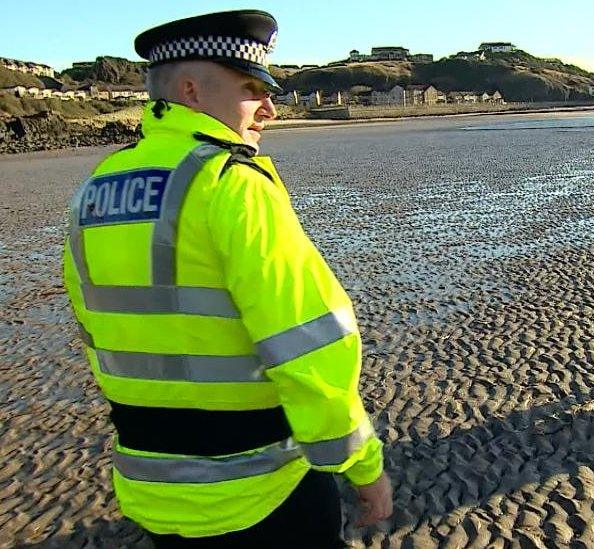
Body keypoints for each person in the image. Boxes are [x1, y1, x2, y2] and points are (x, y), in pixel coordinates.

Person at [61, 10, 392, 546]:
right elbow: (309, 346)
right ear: (192, 90)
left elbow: (94, 330)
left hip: (151, 490)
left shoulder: (95, 189)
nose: (268, 108)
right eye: (250, 88)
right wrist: (362, 465)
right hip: (261, 493)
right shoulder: (231, 184)